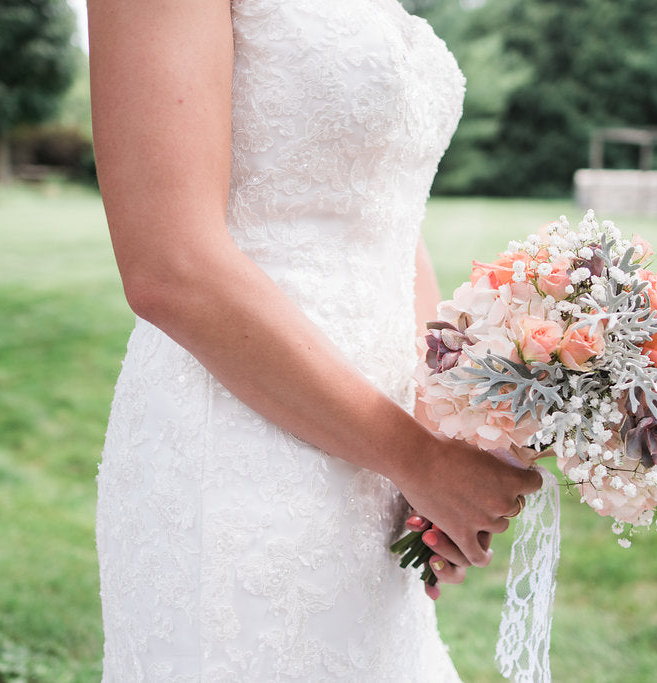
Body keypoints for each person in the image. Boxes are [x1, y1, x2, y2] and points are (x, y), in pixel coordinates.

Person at [88, 0, 544, 679]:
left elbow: (383, 211)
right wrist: (412, 454)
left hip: (379, 464)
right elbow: (169, 265)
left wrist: (437, 419)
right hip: (241, 453)